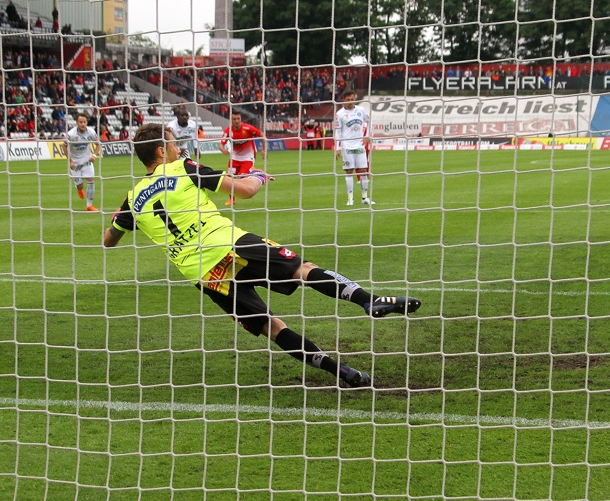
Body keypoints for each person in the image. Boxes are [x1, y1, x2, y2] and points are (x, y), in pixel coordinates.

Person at [102, 124, 420, 388]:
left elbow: (108, 240)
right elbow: (245, 190)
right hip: (228, 243)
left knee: (270, 325)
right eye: (172, 143)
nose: (177, 148)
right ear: (161, 150)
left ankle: (342, 373)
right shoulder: (181, 168)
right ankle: (368, 300)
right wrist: (260, 175)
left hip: (204, 274)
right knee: (301, 268)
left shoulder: (133, 199)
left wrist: (123, 217)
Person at [219, 110, 267, 206]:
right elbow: (221, 144)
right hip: (235, 157)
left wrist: (264, 150)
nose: (237, 121)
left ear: (241, 119)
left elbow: (262, 135)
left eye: (238, 119)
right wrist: (223, 150)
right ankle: (232, 199)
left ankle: (257, 172)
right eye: (234, 119)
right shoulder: (228, 131)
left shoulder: (248, 128)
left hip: (248, 157)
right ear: (231, 120)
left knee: (243, 177)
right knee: (229, 178)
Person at [333, 89, 372, 206]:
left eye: (352, 99)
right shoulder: (339, 114)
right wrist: (337, 148)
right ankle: (350, 198)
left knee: (363, 170)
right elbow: (338, 132)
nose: (350, 101)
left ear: (354, 99)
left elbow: (370, 122)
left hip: (359, 145)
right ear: (343, 100)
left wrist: (367, 136)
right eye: (347, 100)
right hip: (347, 146)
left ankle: (364, 197)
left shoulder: (361, 110)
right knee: (349, 171)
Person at [63, 112, 100, 211]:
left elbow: (98, 144)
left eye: (84, 122)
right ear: (77, 123)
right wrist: (70, 161)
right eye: (80, 122)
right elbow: (64, 147)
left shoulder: (91, 132)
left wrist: (94, 155)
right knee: (80, 185)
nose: (83, 124)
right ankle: (79, 189)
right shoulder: (71, 134)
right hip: (75, 164)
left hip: (87, 161)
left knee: (91, 181)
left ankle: (89, 205)